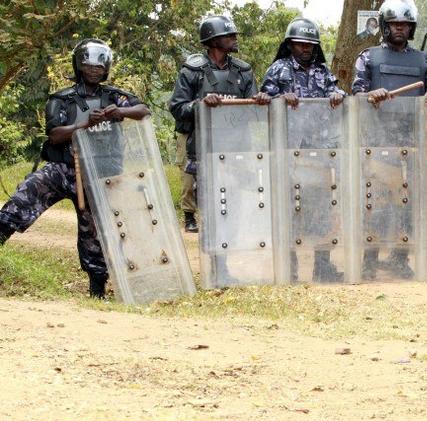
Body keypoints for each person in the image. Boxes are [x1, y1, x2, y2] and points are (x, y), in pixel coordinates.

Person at [0, 39, 150, 299]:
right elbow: (55, 135)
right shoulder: (62, 99)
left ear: (106, 69)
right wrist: (83, 125)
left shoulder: (114, 96)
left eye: (99, 67)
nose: (94, 70)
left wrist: (121, 113)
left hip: (100, 172)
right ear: (79, 66)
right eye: (88, 66)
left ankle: (97, 288)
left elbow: (144, 111)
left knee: (93, 232)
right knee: (26, 195)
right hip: (64, 167)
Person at [352, 0, 427, 281]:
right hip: (378, 144)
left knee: (408, 205)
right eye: (394, 24)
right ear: (385, 26)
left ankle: (401, 259)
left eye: (404, 24)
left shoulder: (423, 59)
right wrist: (370, 96)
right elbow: (356, 94)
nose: (399, 29)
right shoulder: (369, 57)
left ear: (411, 28)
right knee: (377, 204)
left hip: (413, 145)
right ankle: (369, 260)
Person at [262, 17, 346, 283]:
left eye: (310, 44)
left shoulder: (323, 71)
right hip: (288, 152)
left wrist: (337, 95)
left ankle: (323, 266)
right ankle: (291, 268)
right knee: (288, 210)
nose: (306, 48)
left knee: (320, 211)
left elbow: (338, 92)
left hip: (318, 153)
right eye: (300, 43)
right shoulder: (278, 69)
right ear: (290, 44)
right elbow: (262, 100)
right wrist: (279, 99)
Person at [169, 15, 269, 233]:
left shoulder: (244, 71)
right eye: (229, 35)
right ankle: (213, 253)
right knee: (209, 203)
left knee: (234, 202)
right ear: (214, 40)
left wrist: (260, 101)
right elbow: (177, 107)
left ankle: (228, 249)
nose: (235, 38)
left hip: (235, 147)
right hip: (203, 146)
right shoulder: (192, 71)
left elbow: (252, 111)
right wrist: (200, 105)